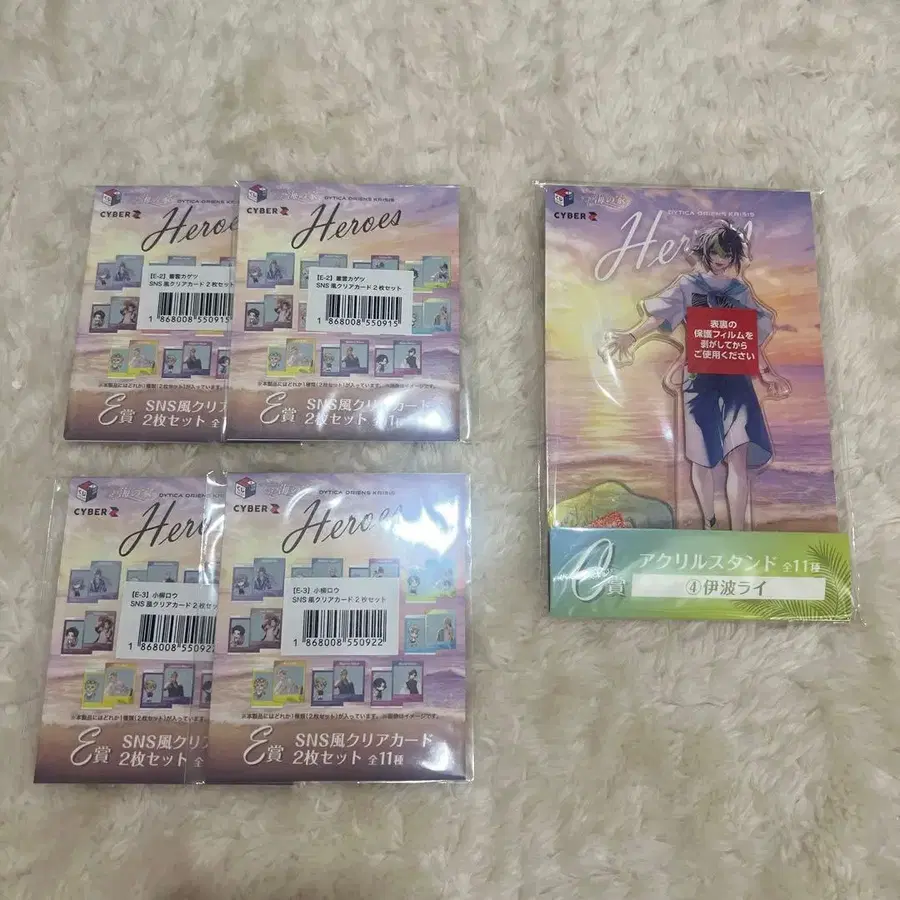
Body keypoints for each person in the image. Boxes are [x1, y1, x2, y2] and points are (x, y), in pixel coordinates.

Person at [599, 219, 790, 531]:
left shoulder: (741, 291)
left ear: (735, 255)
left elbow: (748, 338)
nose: (720, 259)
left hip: (736, 380)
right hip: (699, 379)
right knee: (701, 457)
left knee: (738, 456)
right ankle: (710, 523)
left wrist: (766, 374)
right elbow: (659, 318)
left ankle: (739, 532)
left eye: (727, 253)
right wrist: (630, 337)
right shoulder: (687, 285)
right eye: (715, 252)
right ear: (705, 252)